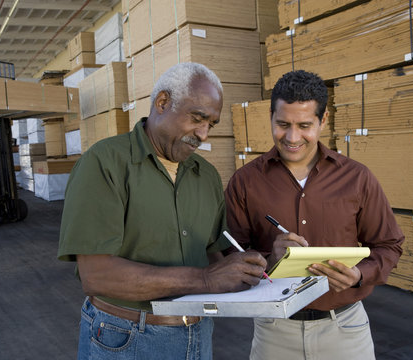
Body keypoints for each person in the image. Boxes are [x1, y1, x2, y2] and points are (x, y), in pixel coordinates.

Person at [58, 62, 267, 360]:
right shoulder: (104, 164)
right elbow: (97, 275)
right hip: (125, 338)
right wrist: (206, 280)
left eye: (211, 124)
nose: (204, 134)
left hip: (197, 332)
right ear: (162, 102)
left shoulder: (205, 175)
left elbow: (212, 254)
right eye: (197, 118)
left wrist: (261, 264)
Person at [224, 70, 404, 360]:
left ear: (324, 120)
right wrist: (270, 259)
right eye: (282, 124)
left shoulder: (358, 178)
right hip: (274, 329)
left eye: (304, 125)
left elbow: (389, 245)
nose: (292, 137)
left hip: (345, 330)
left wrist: (359, 274)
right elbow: (230, 256)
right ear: (270, 116)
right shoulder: (245, 182)